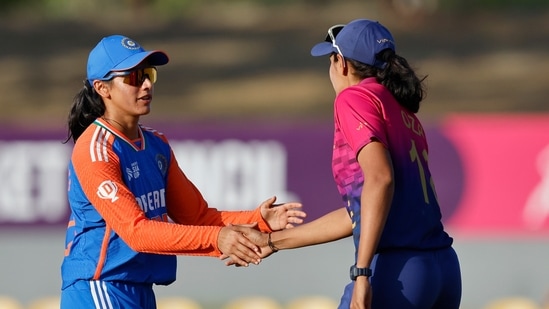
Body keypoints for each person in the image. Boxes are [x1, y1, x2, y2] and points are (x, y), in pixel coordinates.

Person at [60, 34, 305, 309]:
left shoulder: (156, 144)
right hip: (99, 287)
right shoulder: (96, 149)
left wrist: (258, 220)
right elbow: (136, 232)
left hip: (139, 289)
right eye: (133, 77)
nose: (147, 84)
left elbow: (197, 216)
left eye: (148, 74)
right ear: (102, 88)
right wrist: (218, 239)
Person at [235, 19, 462, 309]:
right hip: (442, 269)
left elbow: (380, 180)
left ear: (341, 63)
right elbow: (362, 212)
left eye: (330, 59)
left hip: (398, 272)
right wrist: (272, 242)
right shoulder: (402, 110)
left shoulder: (354, 97)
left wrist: (362, 273)